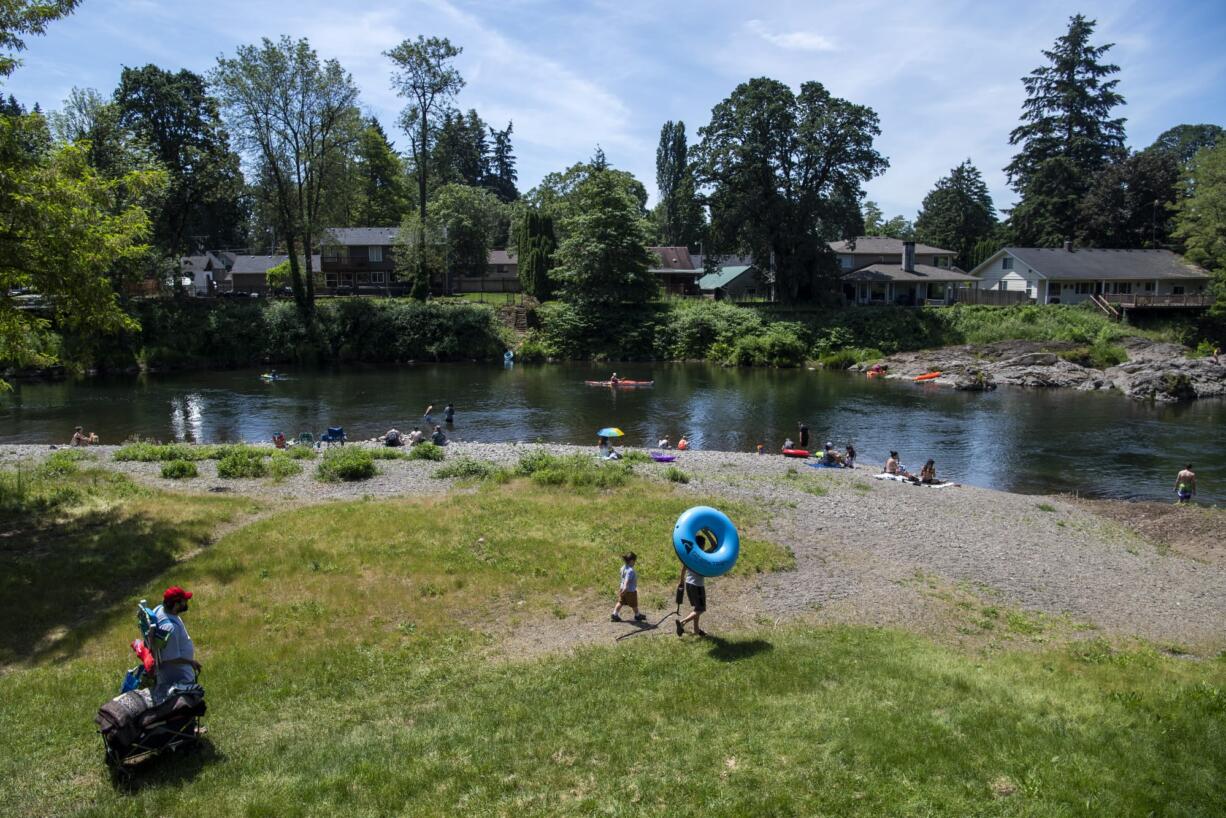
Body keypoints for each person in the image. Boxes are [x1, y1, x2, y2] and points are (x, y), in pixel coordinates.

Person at [150, 586, 200, 702]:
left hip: (173, 673)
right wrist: (190, 662)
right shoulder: (170, 629)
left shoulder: (159, 609)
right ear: (176, 605)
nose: (186, 602)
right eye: (184, 601)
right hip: (179, 677)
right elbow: (170, 658)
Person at [676, 549, 708, 638]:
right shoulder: (702, 556)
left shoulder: (690, 555)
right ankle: (682, 622)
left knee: (696, 608)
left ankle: (696, 629)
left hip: (689, 583)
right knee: (700, 609)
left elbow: (683, 569)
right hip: (697, 585)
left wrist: (681, 581)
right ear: (702, 545)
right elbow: (713, 545)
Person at [611, 552, 647, 622]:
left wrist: (623, 590)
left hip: (622, 589)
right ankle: (637, 615)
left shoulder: (623, 568)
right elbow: (627, 580)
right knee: (634, 604)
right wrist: (625, 588)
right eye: (634, 561)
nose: (634, 563)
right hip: (629, 591)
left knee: (621, 602)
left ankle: (614, 614)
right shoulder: (630, 571)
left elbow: (623, 578)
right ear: (632, 561)